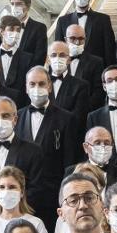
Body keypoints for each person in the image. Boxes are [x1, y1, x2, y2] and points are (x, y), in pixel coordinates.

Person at [17, 65, 76, 223]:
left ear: (50, 86)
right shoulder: (16, 117)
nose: (37, 88)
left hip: (51, 199)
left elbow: (69, 162)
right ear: (26, 88)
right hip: (21, 199)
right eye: (32, 84)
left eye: (42, 84)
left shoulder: (66, 119)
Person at [54, 0, 116, 64]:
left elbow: (110, 51)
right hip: (70, 70)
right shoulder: (63, 21)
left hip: (96, 71)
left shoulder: (103, 20)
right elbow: (58, 48)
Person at [63, 23, 106, 112]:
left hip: (85, 114)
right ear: (66, 40)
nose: (77, 42)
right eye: (72, 38)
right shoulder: (57, 61)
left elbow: (99, 92)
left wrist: (82, 110)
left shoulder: (96, 62)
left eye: (81, 39)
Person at [0, 15, 34, 102]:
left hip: (19, 106)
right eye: (11, 29)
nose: (15, 33)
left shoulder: (28, 58)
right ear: (1, 31)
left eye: (18, 30)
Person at [9, 0, 48, 65]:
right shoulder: (5, 27)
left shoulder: (39, 28)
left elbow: (39, 58)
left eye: (19, 4)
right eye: (12, 4)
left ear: (28, 6)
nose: (14, 7)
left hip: (28, 74)